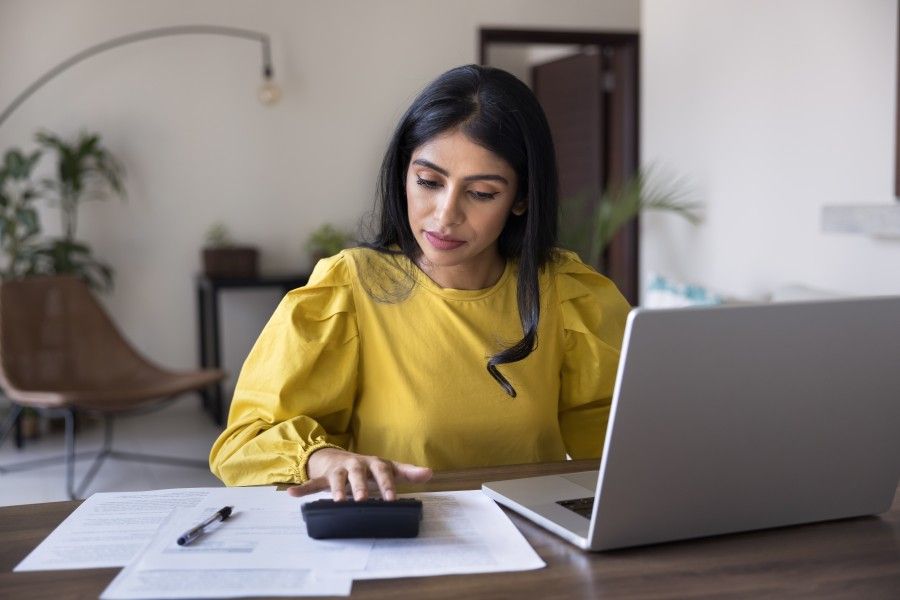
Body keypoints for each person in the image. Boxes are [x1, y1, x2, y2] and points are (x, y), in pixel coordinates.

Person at [209, 64, 630, 501]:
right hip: (398, 540)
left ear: (522, 198)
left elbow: (620, 446)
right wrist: (325, 458)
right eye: (428, 182)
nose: (445, 215)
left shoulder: (566, 291)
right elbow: (244, 443)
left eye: (482, 193)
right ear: (403, 174)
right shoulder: (348, 288)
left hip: (535, 541)